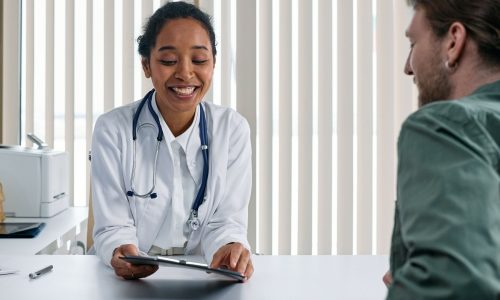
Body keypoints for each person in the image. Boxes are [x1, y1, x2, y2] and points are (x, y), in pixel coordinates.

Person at [91, 1, 253, 281]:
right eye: (168, 61)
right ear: (146, 65)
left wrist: (229, 248)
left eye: (199, 60)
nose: (185, 73)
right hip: (129, 281)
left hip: (204, 276)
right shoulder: (112, 129)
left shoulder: (232, 129)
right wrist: (121, 250)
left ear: (213, 64)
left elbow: (227, 221)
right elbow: (112, 226)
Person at [385, 0, 500, 298]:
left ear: (453, 41)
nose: (408, 67)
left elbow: (455, 287)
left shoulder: (447, 126)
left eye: (414, 43)